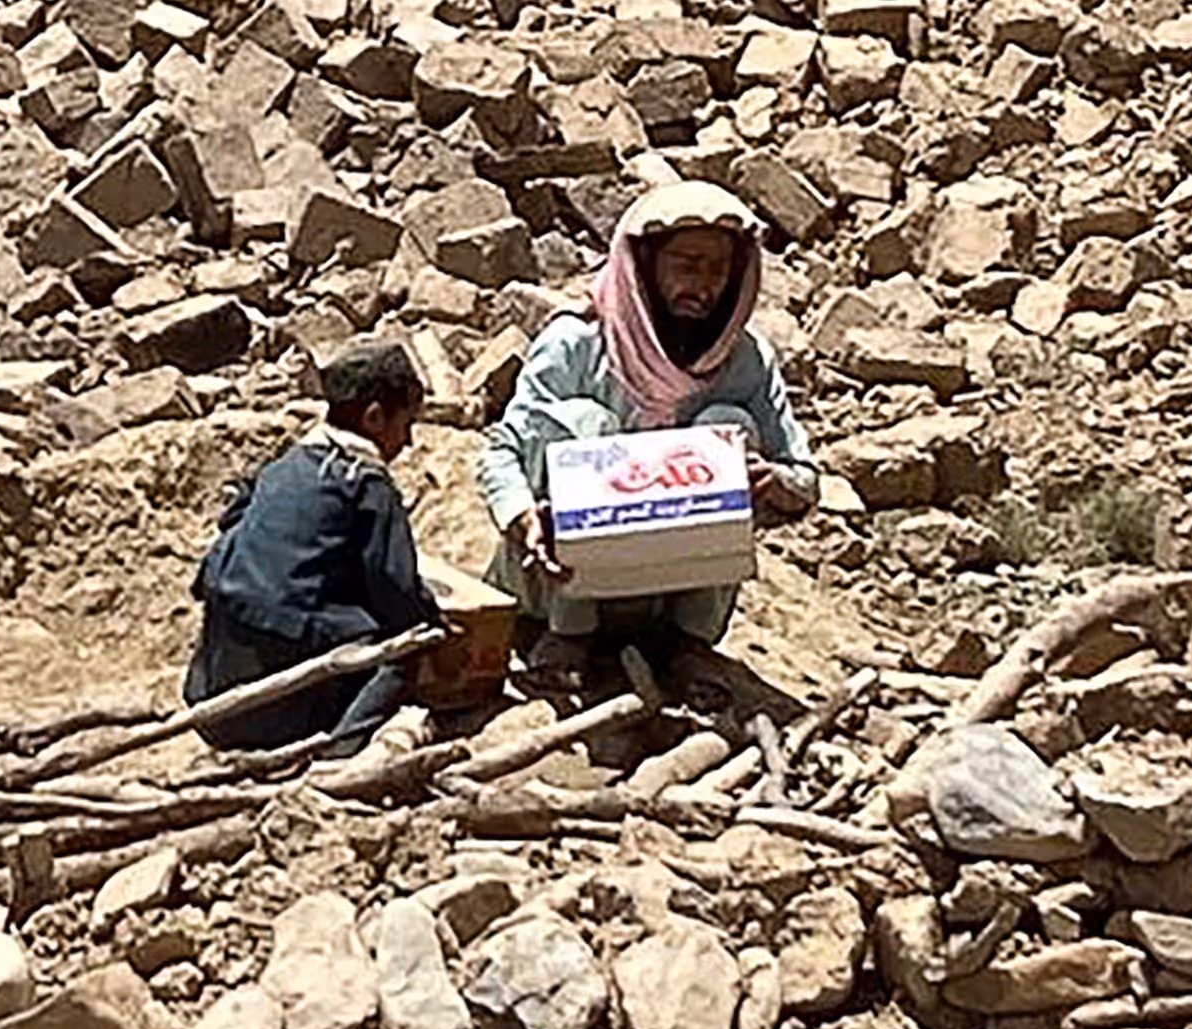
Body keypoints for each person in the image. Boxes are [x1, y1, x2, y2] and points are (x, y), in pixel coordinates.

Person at [477, 181, 816, 692]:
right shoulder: (575, 342)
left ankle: (687, 644)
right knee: (587, 428)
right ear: (644, 265)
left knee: (726, 429)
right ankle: (571, 636)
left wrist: (774, 483)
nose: (703, 286)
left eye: (718, 270)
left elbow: (804, 476)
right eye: (686, 265)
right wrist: (523, 518)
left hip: (668, 594)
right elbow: (502, 449)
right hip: (557, 589)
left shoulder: (745, 360)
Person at [184, 339, 445, 753]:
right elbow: (396, 593)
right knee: (406, 645)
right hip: (273, 718)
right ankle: (340, 749)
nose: (408, 441)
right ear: (375, 418)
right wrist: (437, 619)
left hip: (211, 698)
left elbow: (233, 521)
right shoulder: (367, 484)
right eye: (405, 425)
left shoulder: (285, 465)